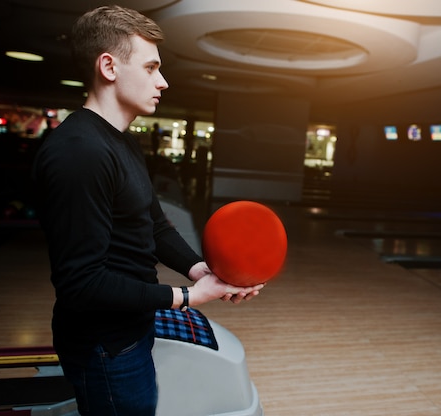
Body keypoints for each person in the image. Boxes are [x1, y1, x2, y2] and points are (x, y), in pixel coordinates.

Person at [32, 6, 263, 415]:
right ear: (109, 66)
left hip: (129, 329)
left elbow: (153, 226)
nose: (163, 81)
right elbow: (81, 284)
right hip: (106, 345)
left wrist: (202, 272)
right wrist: (188, 297)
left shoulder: (121, 141)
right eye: (152, 67)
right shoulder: (79, 152)